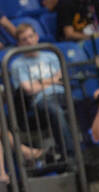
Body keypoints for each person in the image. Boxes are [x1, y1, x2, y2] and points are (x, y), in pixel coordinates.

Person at [8, 22, 74, 159]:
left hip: (62, 94)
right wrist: (52, 80)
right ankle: (70, 155)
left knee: (85, 103)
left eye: (31, 36)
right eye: (24, 39)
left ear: (37, 37)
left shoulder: (52, 55)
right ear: (19, 44)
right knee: (56, 111)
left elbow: (61, 78)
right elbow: (29, 89)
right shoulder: (17, 64)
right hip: (39, 101)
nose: (29, 41)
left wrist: (39, 82)